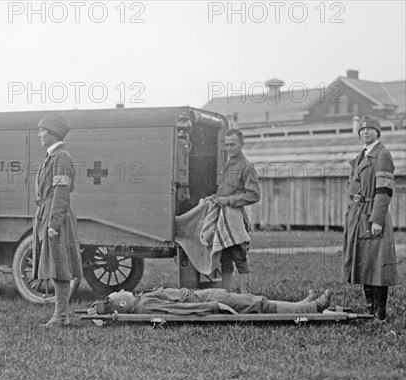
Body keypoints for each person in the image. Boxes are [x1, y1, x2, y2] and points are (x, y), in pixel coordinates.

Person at [343, 115, 397, 322]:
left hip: (373, 214)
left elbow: (384, 191)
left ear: (377, 132)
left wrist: (377, 220)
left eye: (370, 129)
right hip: (358, 213)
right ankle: (368, 311)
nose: (365, 132)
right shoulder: (362, 155)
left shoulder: (382, 154)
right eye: (362, 130)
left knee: (377, 265)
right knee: (365, 263)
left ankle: (379, 314)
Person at [33, 114, 83, 328]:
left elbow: (61, 192)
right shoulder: (52, 157)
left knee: (59, 266)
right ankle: (61, 315)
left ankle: (60, 316)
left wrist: (53, 224)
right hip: (48, 212)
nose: (39, 135)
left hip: (56, 215)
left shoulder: (61, 157)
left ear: (52, 133)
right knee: (56, 265)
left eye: (42, 131)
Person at [204, 128, 260, 294]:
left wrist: (229, 201)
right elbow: (223, 193)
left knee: (240, 258)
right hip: (223, 222)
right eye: (227, 145)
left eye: (233, 145)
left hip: (236, 222)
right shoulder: (228, 165)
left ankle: (246, 297)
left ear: (241, 144)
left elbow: (254, 195)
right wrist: (213, 198)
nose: (229, 148)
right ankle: (226, 296)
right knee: (225, 260)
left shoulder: (247, 167)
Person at [92, 287, 331, 316]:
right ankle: (311, 308)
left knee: (254, 300)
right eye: (117, 294)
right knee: (258, 304)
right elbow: (181, 309)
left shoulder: (142, 300)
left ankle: (302, 304)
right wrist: (215, 306)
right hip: (207, 299)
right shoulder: (145, 306)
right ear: (122, 305)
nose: (122, 290)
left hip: (205, 294)